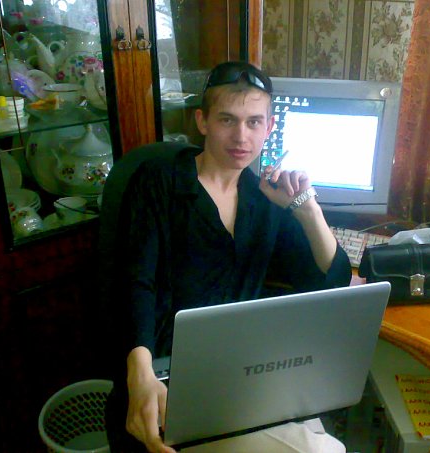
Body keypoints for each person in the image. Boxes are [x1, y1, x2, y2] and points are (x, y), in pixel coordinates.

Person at [105, 61, 352, 452]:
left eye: (254, 122)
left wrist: (307, 210)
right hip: (169, 372)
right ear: (202, 121)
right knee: (321, 450)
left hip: (242, 371)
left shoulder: (264, 198)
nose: (241, 136)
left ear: (269, 128)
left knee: (320, 441)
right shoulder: (160, 180)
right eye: (227, 120)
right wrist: (140, 372)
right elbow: (136, 281)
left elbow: (330, 281)